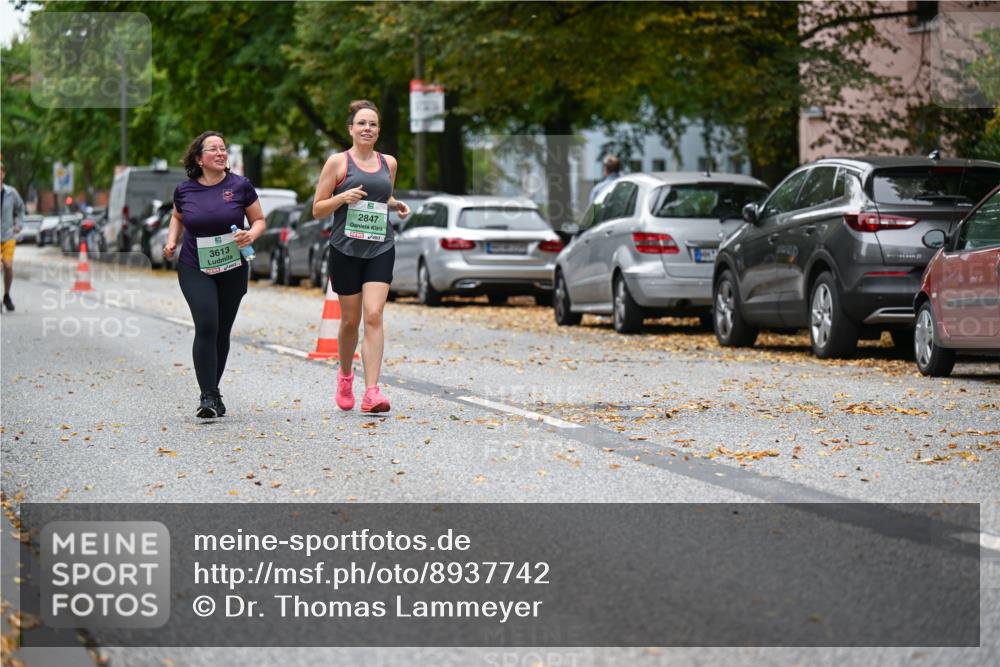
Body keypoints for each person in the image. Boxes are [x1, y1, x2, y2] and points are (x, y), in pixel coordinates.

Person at [312, 100, 410, 414]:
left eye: (373, 124)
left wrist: (396, 205)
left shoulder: (389, 163)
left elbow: (383, 196)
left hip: (380, 246)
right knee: (350, 321)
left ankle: (372, 392)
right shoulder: (337, 163)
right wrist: (342, 196)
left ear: (378, 131)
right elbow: (317, 208)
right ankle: (344, 376)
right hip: (345, 249)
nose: (367, 129)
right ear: (351, 129)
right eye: (362, 124)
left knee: (374, 315)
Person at [164, 131, 265, 418]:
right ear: (199, 158)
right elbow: (177, 216)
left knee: (222, 330)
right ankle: (208, 396)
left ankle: (213, 392)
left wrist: (250, 235)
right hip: (195, 266)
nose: (221, 153)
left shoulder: (240, 185)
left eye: (224, 148)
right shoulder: (184, 190)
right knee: (207, 324)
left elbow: (258, 220)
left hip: (232, 267)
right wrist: (172, 240)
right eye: (213, 149)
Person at [0, 160, 25, 312]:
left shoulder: (11, 192)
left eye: (0, 171)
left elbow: (21, 208)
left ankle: (7, 295)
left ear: (3, 174)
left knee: (8, 266)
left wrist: (19, 224)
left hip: (8, 234)